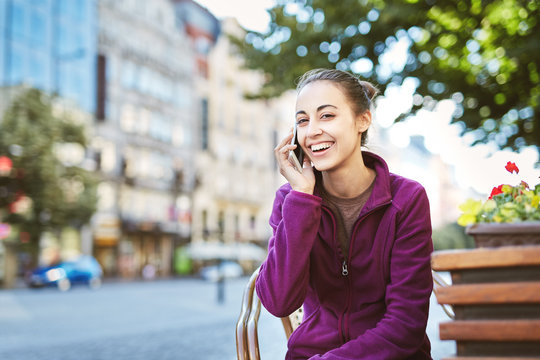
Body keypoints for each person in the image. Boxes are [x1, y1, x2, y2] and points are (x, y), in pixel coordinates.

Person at [256, 68, 433, 359]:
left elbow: (406, 325)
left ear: (363, 120)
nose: (312, 131)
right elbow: (278, 302)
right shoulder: (290, 200)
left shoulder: (407, 199)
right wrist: (302, 199)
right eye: (303, 120)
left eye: (327, 115)